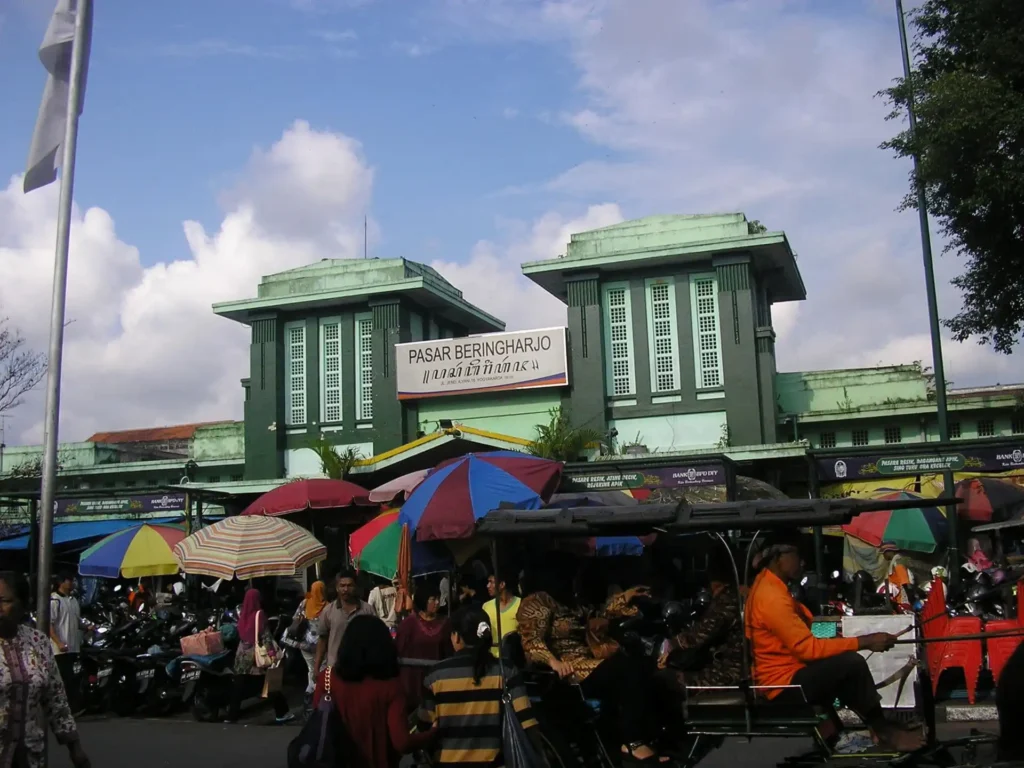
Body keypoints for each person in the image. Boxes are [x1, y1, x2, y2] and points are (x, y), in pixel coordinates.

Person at [745, 535, 924, 752]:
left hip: (793, 673)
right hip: (783, 685)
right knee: (852, 664)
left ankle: (876, 725)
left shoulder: (773, 587)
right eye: (797, 555)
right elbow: (807, 649)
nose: (802, 562)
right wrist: (865, 641)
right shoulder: (771, 596)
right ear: (778, 557)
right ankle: (883, 731)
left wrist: (847, 642)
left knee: (842, 664)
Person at [518, 563, 667, 763]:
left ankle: (652, 737)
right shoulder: (537, 602)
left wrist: (625, 597)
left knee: (644, 665)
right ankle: (632, 742)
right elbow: (531, 640)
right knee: (626, 670)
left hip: (590, 660)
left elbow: (598, 616)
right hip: (567, 671)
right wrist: (553, 662)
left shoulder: (570, 601)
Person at [419, 606, 543, 766]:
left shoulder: (435, 675)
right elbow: (528, 723)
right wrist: (540, 757)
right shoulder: (506, 670)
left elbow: (424, 726)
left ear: (456, 637)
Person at [313, 615, 434, 768]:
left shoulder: (327, 678)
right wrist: (432, 733)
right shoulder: (391, 687)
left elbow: (317, 720)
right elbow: (402, 742)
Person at [0, 571, 91, 768]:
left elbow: (56, 701)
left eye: (4, 601)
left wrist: (75, 750)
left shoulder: (38, 642)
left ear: (22, 605)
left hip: (29, 757)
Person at [658, 547, 743, 687]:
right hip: (731, 664)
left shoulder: (730, 599)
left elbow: (700, 634)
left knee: (667, 682)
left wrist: (672, 643)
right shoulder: (741, 594)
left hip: (732, 670)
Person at [230, 588, 294, 724]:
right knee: (271, 684)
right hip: (256, 655)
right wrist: (272, 654)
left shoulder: (243, 615)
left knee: (239, 686)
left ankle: (232, 715)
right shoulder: (259, 615)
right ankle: (282, 713)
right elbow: (265, 637)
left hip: (242, 654)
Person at [394, 585, 452, 708]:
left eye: (438, 598)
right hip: (412, 681)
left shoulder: (446, 623)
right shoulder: (408, 624)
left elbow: (449, 651)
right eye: (432, 599)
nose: (437, 602)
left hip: (437, 678)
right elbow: (399, 651)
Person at [315, 570, 378, 672]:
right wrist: (316, 668)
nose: (345, 589)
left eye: (349, 585)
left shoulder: (367, 610)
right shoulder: (328, 611)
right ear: (337, 588)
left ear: (356, 587)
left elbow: (375, 639)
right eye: (342, 586)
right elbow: (322, 640)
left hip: (362, 668)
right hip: (335, 668)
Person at [292, 580, 328, 696]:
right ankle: (319, 693)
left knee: (311, 669)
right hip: (322, 645)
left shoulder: (305, 603)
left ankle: (310, 692)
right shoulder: (328, 606)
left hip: (305, 643)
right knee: (322, 670)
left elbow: (295, 619)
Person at [482, 567, 521, 658]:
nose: (488, 586)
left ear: (502, 584)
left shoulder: (521, 605)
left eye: (491, 582)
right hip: (492, 659)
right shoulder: (486, 606)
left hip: (514, 659)